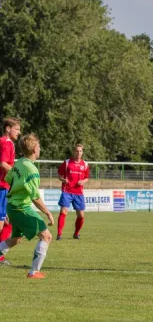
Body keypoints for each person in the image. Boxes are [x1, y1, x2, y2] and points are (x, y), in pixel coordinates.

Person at [0, 133, 54, 279]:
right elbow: (35, 197)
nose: (40, 148)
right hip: (21, 208)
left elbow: (8, 178)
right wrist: (48, 212)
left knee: (15, 239)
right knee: (46, 236)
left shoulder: (19, 162)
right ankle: (34, 272)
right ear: (35, 149)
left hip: (12, 206)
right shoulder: (32, 170)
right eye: (39, 146)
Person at [57, 144, 90, 240]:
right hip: (67, 191)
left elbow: (87, 178)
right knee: (63, 211)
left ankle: (76, 233)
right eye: (77, 151)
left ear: (82, 152)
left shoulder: (85, 164)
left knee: (81, 215)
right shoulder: (67, 162)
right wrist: (63, 180)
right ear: (74, 152)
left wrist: (83, 181)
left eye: (80, 151)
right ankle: (59, 234)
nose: (78, 152)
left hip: (78, 193)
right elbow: (59, 175)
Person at [0, 117, 20, 265]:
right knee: (2, 221)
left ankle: (0, 256)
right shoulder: (8, 143)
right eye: (17, 129)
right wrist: (18, 176)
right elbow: (3, 163)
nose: (19, 132)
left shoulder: (2, 141)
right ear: (8, 129)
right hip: (2, 186)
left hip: (4, 186)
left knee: (8, 222)